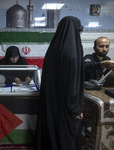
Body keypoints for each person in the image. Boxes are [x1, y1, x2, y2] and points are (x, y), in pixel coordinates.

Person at [35, 16, 84, 150]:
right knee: (65, 139)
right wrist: (75, 109)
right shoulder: (71, 54)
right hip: (65, 107)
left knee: (52, 134)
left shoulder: (53, 50)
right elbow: (71, 86)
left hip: (51, 104)